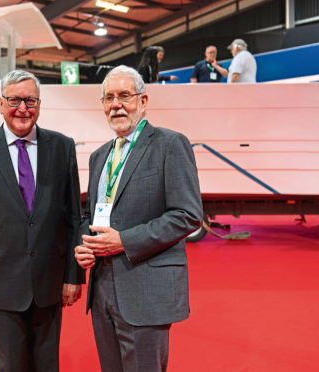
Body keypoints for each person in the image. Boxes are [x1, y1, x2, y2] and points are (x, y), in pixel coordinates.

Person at [75, 65, 203, 372]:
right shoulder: (99, 156)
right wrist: (85, 244)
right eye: (109, 98)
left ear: (143, 101)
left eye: (124, 96)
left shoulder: (170, 144)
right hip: (103, 286)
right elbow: (91, 213)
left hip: (146, 287)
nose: (116, 105)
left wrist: (123, 241)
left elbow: (187, 215)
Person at [0, 70, 84, 372]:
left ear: (40, 104)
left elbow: (73, 217)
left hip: (49, 283)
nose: (22, 109)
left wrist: (73, 275)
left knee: (47, 365)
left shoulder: (62, 147)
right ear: (0, 104)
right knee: (8, 366)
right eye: (14, 100)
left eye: (30, 101)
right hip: (0, 284)